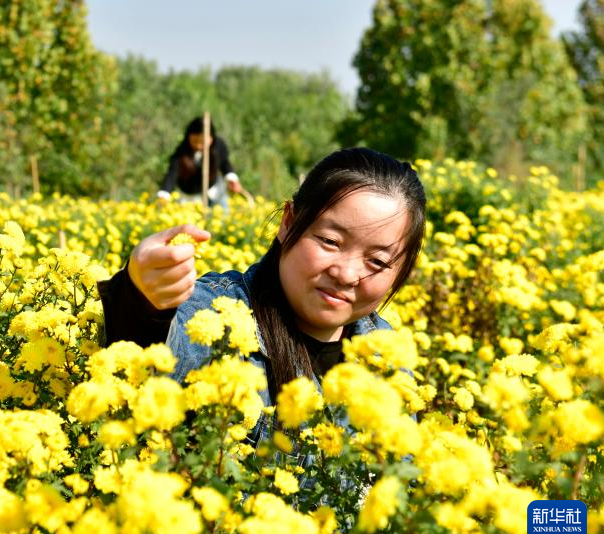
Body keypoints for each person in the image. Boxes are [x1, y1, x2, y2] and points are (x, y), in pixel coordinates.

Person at [99, 147, 426, 440]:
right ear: (287, 222)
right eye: (330, 242)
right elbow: (151, 351)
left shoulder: (387, 357)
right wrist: (140, 298)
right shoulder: (221, 315)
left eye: (378, 261)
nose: (346, 273)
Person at [157, 116, 243, 207]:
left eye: (202, 143)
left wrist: (232, 179)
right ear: (188, 137)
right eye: (195, 141)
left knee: (222, 216)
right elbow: (172, 174)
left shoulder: (218, 146)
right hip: (190, 197)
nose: (198, 146)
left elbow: (225, 164)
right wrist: (165, 194)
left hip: (214, 191)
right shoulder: (181, 152)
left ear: (211, 138)